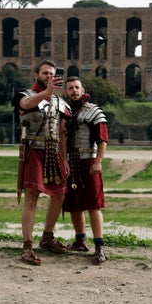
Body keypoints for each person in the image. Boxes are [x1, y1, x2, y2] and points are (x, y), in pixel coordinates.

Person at [12, 59, 71, 265]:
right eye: (45, 73)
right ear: (36, 75)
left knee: (60, 194)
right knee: (32, 196)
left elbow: (62, 132)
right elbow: (25, 106)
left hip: (54, 152)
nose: (49, 77)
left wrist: (64, 158)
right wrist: (45, 94)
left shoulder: (60, 103)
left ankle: (47, 237)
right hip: (34, 150)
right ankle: (27, 246)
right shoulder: (26, 95)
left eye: (52, 74)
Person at [62, 76, 109, 265]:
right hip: (70, 162)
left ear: (83, 89)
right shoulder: (64, 112)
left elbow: (102, 139)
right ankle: (80, 241)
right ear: (66, 92)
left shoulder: (94, 111)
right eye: (70, 88)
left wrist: (98, 161)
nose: (74, 90)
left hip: (89, 161)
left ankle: (99, 247)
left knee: (93, 204)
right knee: (74, 203)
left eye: (77, 87)